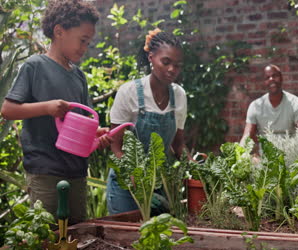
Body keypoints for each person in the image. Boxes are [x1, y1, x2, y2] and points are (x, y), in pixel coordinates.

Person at [1, 0, 110, 224]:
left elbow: (80, 123)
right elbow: (8, 110)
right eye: (82, 40)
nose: (84, 47)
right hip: (45, 170)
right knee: (47, 235)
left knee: (78, 233)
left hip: (77, 172)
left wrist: (96, 134)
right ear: (59, 31)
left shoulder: (79, 77)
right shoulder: (35, 66)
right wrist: (47, 107)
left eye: (88, 42)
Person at [106, 28, 190, 215]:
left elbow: (178, 144)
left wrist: (196, 168)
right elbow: (115, 145)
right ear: (151, 57)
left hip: (159, 184)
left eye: (177, 65)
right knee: (127, 240)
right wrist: (133, 173)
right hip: (126, 185)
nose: (172, 70)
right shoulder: (129, 93)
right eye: (166, 62)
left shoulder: (179, 96)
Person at [240, 64, 298, 156]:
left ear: (281, 78)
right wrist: (240, 155)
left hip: (290, 157)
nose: (271, 79)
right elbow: (247, 136)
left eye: (275, 76)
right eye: (267, 77)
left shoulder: (295, 103)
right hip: (265, 160)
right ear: (264, 82)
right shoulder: (256, 106)